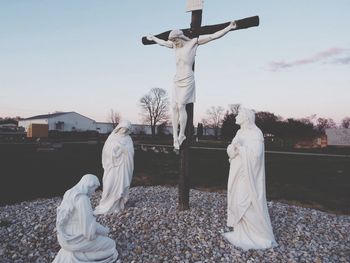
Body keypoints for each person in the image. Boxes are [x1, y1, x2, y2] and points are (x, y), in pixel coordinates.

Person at [147, 21, 236, 149]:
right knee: (174, 107)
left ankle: (182, 134)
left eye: (176, 40)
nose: (174, 43)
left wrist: (228, 28)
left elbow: (213, 36)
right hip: (177, 79)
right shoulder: (175, 46)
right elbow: (163, 43)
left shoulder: (193, 43)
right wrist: (154, 38)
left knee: (181, 105)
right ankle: (174, 137)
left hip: (188, 78)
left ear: (180, 37)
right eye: (173, 41)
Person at [223, 108, 277, 250]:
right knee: (237, 200)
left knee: (245, 202)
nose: (236, 116)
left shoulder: (256, 133)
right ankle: (242, 232)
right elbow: (231, 151)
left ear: (246, 118)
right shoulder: (239, 132)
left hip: (248, 176)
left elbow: (256, 155)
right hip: (237, 172)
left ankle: (260, 234)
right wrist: (232, 148)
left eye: (239, 115)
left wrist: (240, 148)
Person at [53, 174, 118, 263]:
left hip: (65, 238)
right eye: (94, 189)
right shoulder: (82, 199)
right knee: (111, 245)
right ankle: (79, 257)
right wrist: (103, 231)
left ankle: (76, 253)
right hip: (76, 238)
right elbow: (88, 231)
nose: (93, 192)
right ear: (89, 185)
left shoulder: (69, 193)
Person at [94, 120, 134, 215]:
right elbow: (106, 152)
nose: (124, 131)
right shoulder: (112, 137)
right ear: (119, 128)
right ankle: (106, 203)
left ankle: (118, 204)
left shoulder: (128, 139)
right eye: (123, 128)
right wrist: (116, 150)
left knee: (122, 184)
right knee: (109, 184)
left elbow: (131, 152)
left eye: (127, 129)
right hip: (112, 166)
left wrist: (124, 150)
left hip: (123, 166)